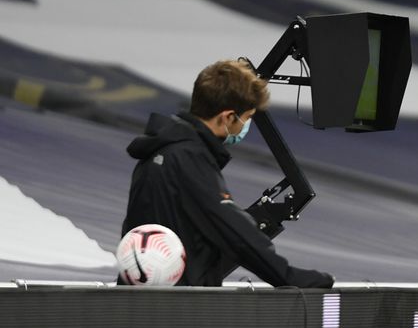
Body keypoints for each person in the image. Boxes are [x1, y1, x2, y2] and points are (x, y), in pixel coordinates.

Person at [119, 59, 334, 288]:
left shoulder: (160, 150)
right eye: (247, 118)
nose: (245, 126)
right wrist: (290, 277)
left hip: (142, 302)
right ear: (228, 117)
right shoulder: (190, 158)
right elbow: (235, 233)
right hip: (177, 310)